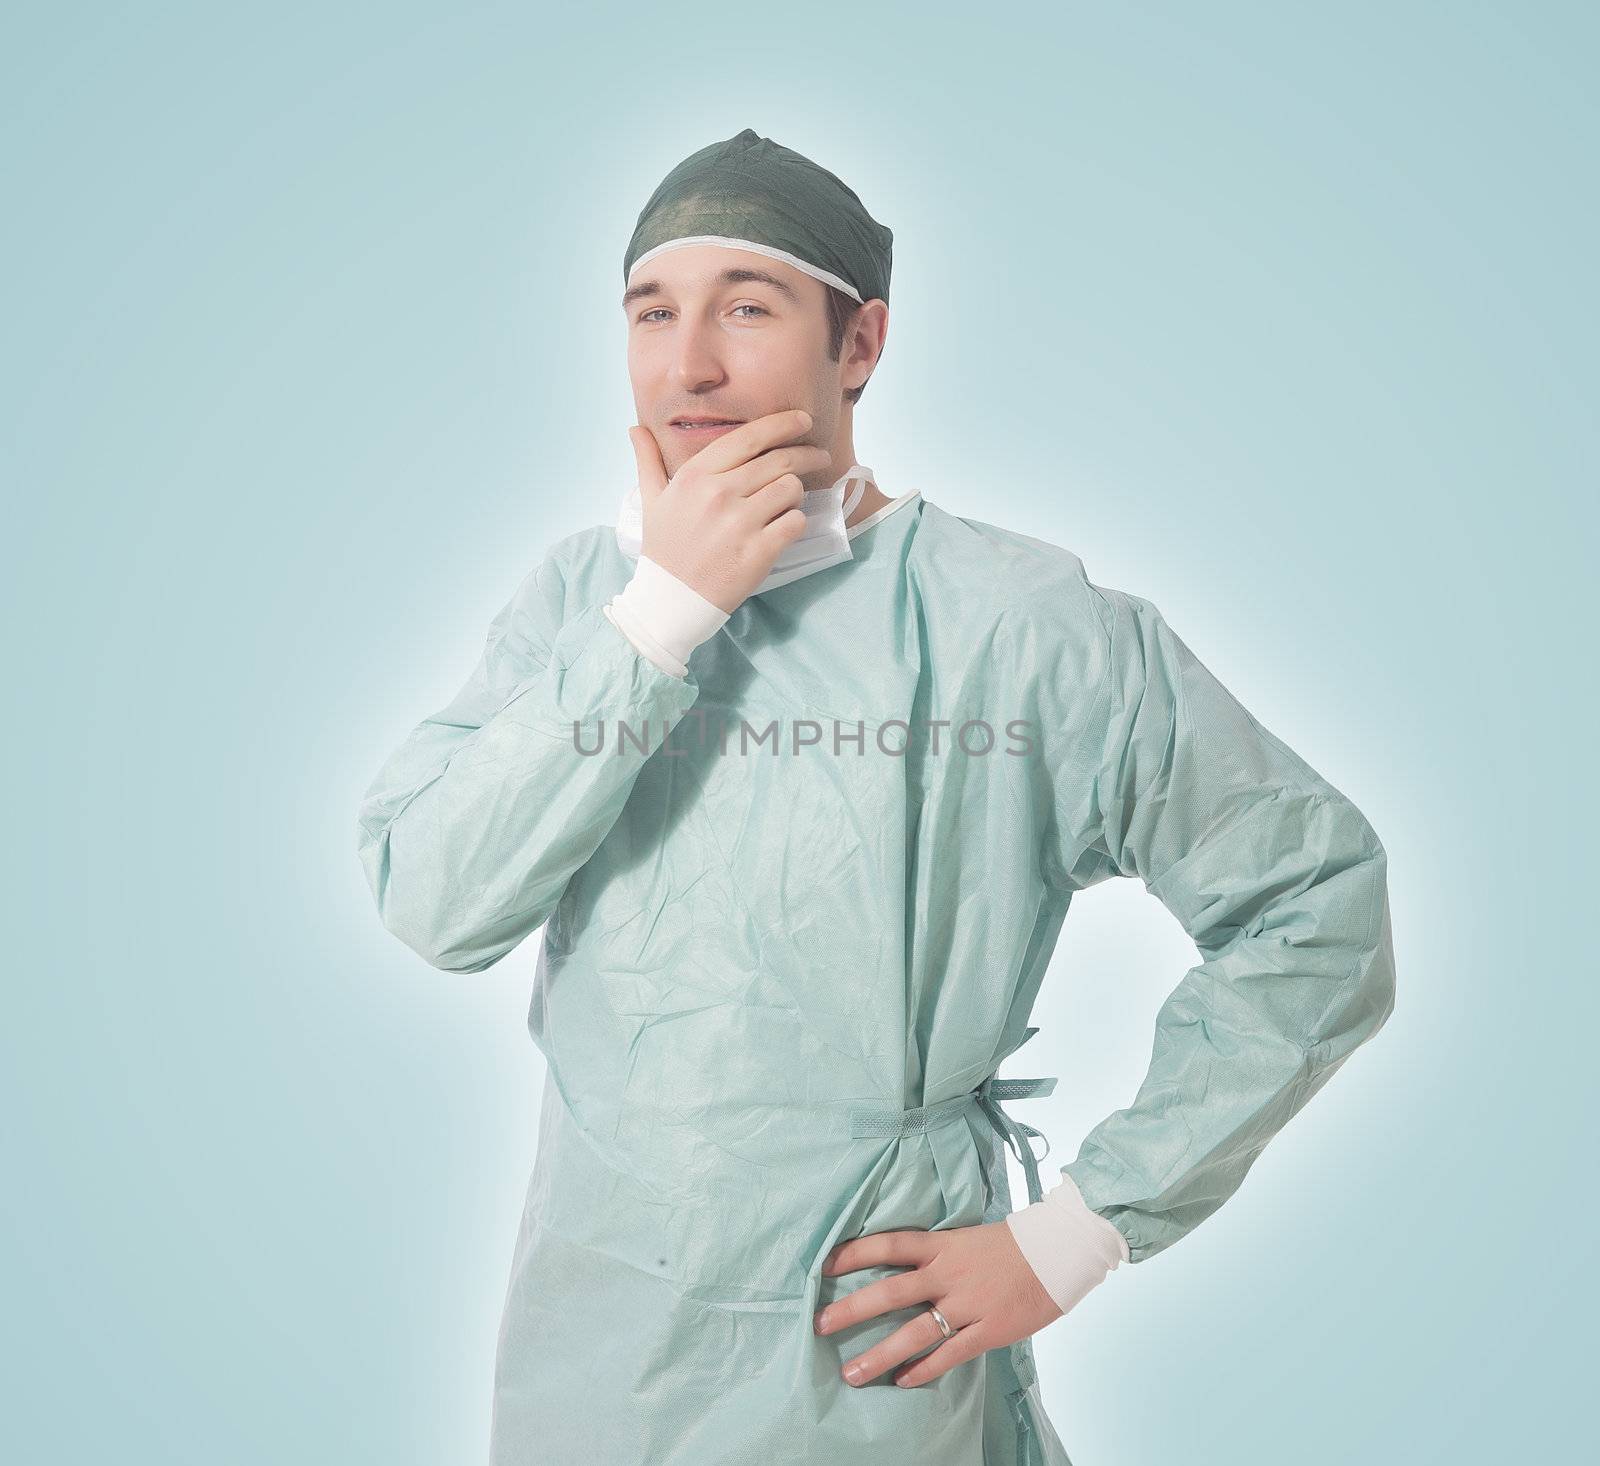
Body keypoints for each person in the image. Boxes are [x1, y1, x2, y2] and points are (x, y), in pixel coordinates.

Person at [355, 127, 1396, 1466]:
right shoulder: (582, 601)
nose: (691, 366)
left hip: (869, 1354)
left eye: (749, 307)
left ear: (861, 344)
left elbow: (1319, 902)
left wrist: (1075, 1231)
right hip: (597, 1357)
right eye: (652, 313)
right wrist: (661, 615)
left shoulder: (1017, 628)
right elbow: (434, 900)